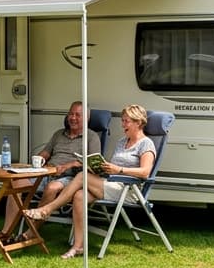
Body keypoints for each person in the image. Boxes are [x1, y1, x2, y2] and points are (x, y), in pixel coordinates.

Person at [24, 103, 154, 259]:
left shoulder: (146, 143)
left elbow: (145, 172)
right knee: (79, 195)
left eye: (126, 121)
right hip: (112, 184)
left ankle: (46, 210)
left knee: (81, 176)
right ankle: (78, 246)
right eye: (123, 120)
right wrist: (100, 167)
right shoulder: (122, 142)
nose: (123, 124)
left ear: (138, 123)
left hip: (129, 190)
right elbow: (113, 167)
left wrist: (119, 170)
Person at [0, 101, 101, 241]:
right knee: (15, 183)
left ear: (87, 118)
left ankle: (31, 232)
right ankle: (6, 232)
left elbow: (93, 163)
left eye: (77, 115)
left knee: (51, 188)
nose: (73, 118)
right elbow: (46, 153)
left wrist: (69, 165)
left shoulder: (92, 137)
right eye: (71, 114)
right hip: (47, 172)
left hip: (71, 178)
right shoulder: (59, 134)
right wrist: (38, 160)